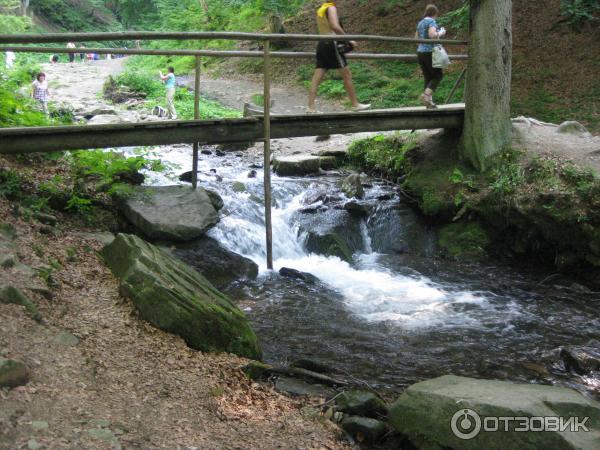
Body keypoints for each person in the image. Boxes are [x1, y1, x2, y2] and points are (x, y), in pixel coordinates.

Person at [307, 1, 370, 113]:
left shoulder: (321, 9)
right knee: (347, 74)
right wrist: (348, 39)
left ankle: (310, 107)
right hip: (332, 43)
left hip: (322, 43)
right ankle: (355, 104)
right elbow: (335, 26)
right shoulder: (331, 8)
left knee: (316, 78)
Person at [415, 4, 446, 109]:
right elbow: (432, 35)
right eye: (436, 15)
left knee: (428, 77)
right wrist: (441, 32)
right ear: (434, 14)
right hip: (430, 52)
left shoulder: (420, 23)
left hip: (420, 52)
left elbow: (416, 38)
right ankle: (426, 95)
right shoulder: (431, 21)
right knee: (438, 75)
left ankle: (429, 103)